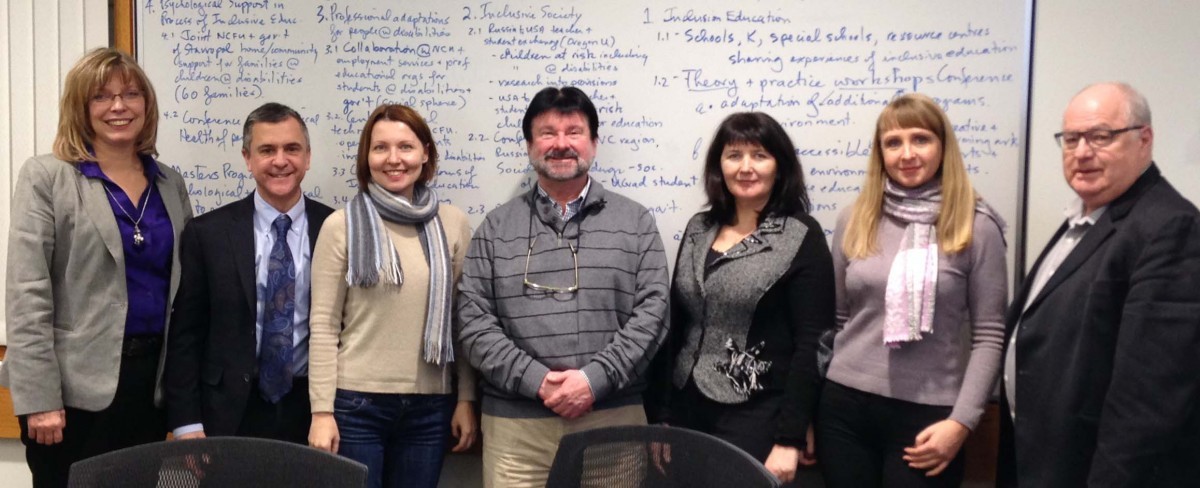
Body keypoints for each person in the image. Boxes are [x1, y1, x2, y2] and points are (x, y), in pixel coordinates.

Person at [456, 86, 670, 488]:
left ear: (594, 143)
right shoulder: (496, 227)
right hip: (516, 432)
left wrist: (593, 381)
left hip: (614, 423)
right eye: (547, 133)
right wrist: (535, 380)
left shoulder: (636, 221)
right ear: (529, 145)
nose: (561, 144)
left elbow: (653, 315)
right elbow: (473, 321)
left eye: (573, 132)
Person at [0, 47, 193, 488]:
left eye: (130, 94)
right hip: (70, 397)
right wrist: (39, 399)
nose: (119, 106)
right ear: (81, 109)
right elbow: (27, 294)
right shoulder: (47, 177)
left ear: (147, 104)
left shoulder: (170, 183)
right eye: (102, 97)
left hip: (151, 390)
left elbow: (184, 291)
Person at [999, 82, 1200, 487]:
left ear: (1145, 139)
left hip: (1093, 470)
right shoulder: (1086, 218)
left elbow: (1148, 399)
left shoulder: (1170, 226)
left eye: (1101, 136)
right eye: (1071, 139)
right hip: (1041, 456)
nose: (1082, 152)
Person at [818, 93, 1008, 487]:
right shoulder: (855, 218)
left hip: (929, 416)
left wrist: (962, 422)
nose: (907, 153)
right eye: (893, 142)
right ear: (880, 152)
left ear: (943, 147)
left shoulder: (977, 225)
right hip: (844, 409)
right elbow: (838, 318)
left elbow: (990, 336)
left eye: (920, 139)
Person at [645, 112, 833, 484]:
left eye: (759, 155)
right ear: (720, 165)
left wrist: (790, 438)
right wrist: (662, 415)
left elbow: (814, 342)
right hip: (686, 407)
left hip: (757, 413)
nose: (746, 167)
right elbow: (677, 324)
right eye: (734, 155)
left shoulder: (800, 235)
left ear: (779, 166)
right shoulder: (700, 228)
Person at [306, 104, 478, 488]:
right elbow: (323, 325)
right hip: (356, 407)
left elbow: (462, 321)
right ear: (366, 157)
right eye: (380, 148)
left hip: (432, 406)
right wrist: (321, 412)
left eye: (406, 146)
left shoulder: (453, 223)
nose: (394, 159)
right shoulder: (341, 225)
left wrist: (466, 398)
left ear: (425, 153)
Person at [163, 102, 333, 444]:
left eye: (292, 149)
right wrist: (186, 423)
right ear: (247, 158)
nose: (280, 161)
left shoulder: (335, 228)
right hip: (226, 412)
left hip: (310, 408)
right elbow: (186, 334)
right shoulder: (207, 233)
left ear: (308, 157)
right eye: (267, 150)